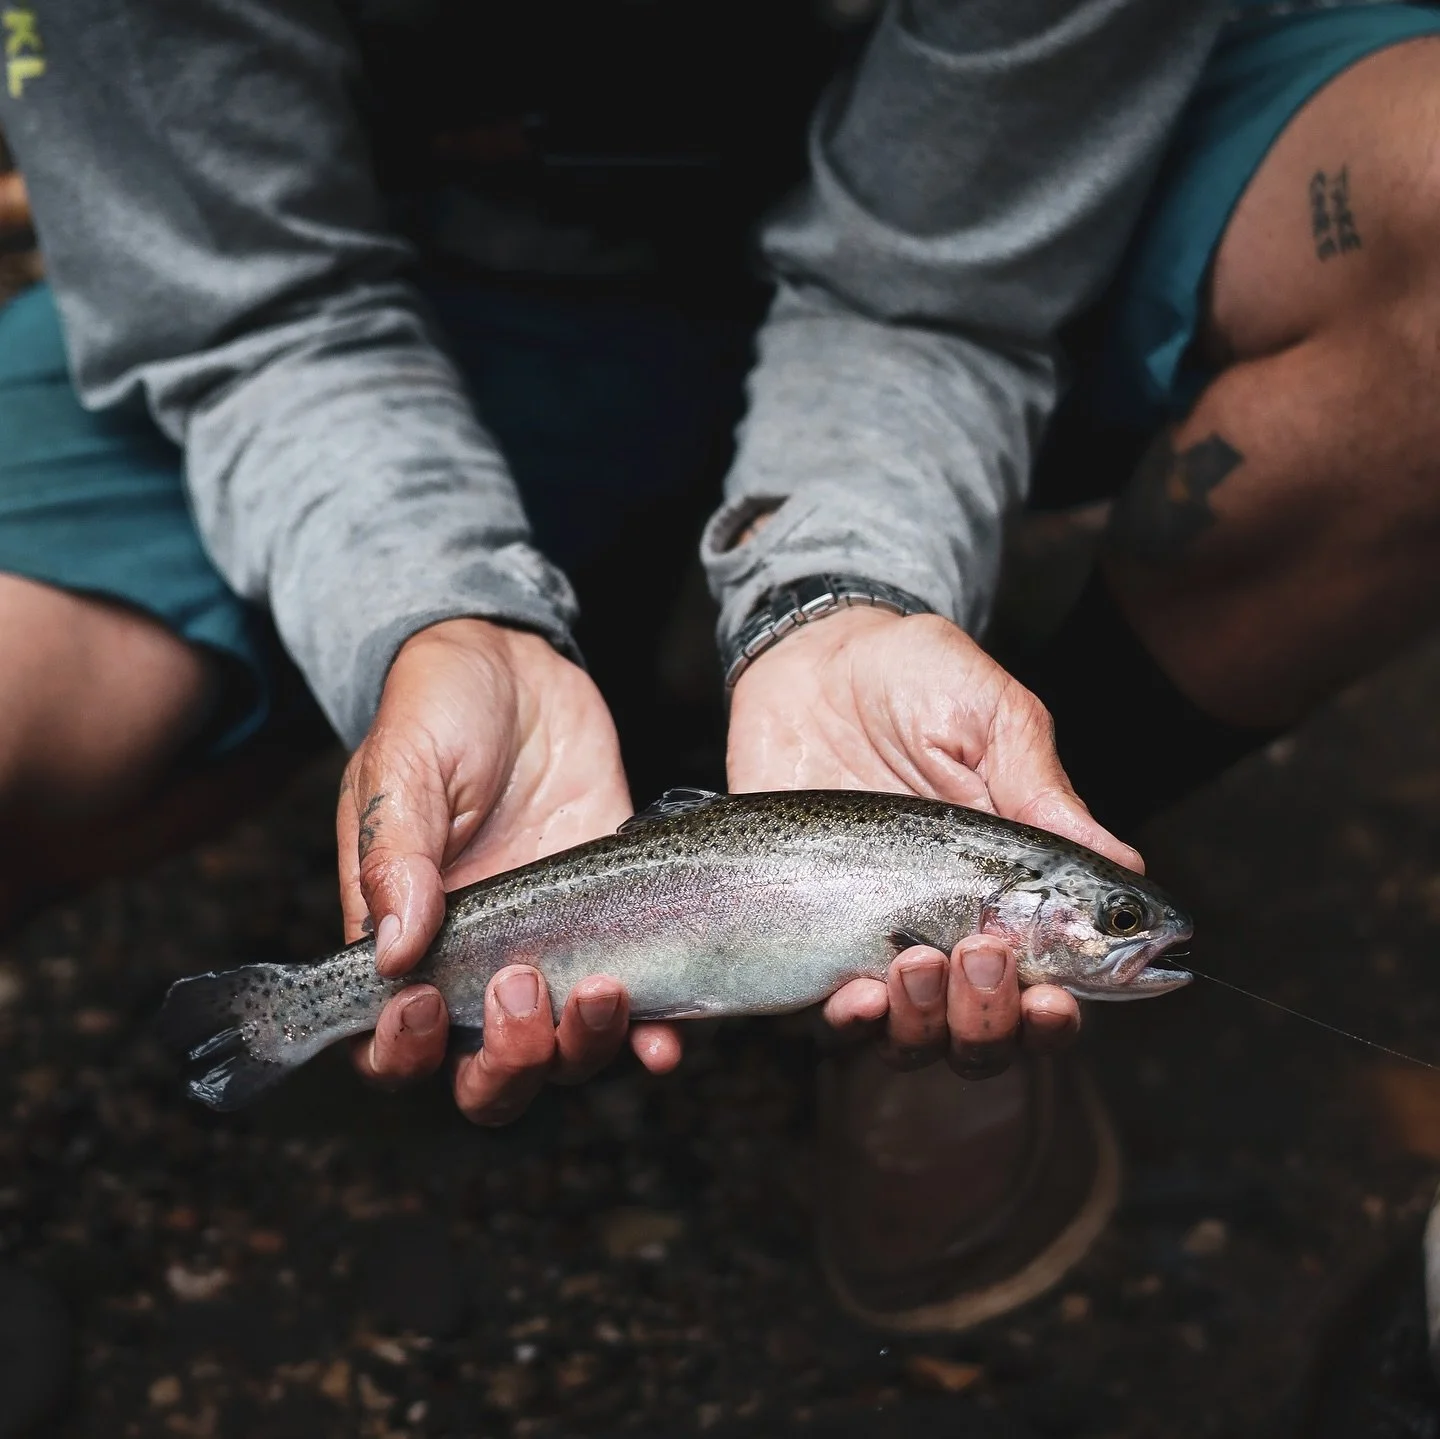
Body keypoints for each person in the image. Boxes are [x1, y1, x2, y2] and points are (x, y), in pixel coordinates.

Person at [2, 0, 1439, 1344]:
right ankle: (320, 987)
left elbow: (935, 289)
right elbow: (250, 314)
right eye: (1111, 916)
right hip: (417, 292)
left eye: (1113, 913)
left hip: (986, 255)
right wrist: (436, 615)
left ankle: (991, 930)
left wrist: (839, 592)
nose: (1131, 931)